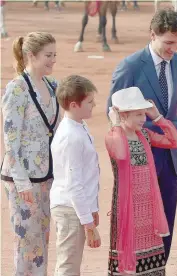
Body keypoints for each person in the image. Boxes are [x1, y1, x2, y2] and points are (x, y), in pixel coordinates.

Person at [106, 7, 177, 262]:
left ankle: (159, 268)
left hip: (170, 155)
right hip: (139, 156)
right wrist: (127, 150)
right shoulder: (130, 66)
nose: (173, 49)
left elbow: (173, 110)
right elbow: (112, 111)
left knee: (166, 219)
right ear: (152, 34)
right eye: (168, 42)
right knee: (138, 223)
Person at [105, 86, 177, 275]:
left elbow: (175, 142)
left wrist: (158, 117)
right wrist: (115, 125)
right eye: (138, 114)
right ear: (123, 115)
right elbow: (121, 153)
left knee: (152, 261)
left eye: (144, 113)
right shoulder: (113, 136)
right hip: (128, 209)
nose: (143, 118)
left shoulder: (145, 136)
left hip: (148, 209)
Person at [1, 31, 59, 276]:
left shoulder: (51, 85)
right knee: (26, 244)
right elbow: (10, 140)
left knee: (41, 240)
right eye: (48, 55)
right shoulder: (16, 89)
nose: (53, 60)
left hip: (46, 177)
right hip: (21, 180)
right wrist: (22, 182)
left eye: (54, 55)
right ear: (30, 55)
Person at [50, 75, 101, 275]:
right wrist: (88, 224)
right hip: (70, 209)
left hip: (75, 207)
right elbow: (74, 184)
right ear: (74, 105)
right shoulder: (71, 137)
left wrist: (92, 208)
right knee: (68, 266)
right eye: (89, 102)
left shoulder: (79, 125)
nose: (94, 105)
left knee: (72, 264)